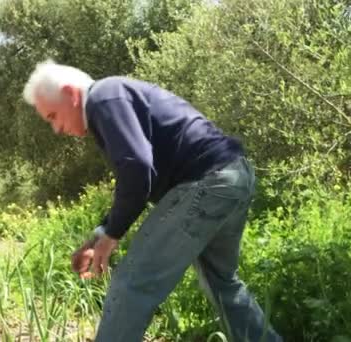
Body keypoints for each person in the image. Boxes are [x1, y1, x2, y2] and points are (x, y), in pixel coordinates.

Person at [22, 59, 282, 342]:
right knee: (223, 283)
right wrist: (102, 233)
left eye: (52, 116)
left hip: (207, 181)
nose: (57, 129)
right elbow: (137, 178)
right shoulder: (114, 96)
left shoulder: (102, 98)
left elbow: (137, 169)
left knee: (132, 282)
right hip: (234, 176)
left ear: (71, 94)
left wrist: (112, 237)